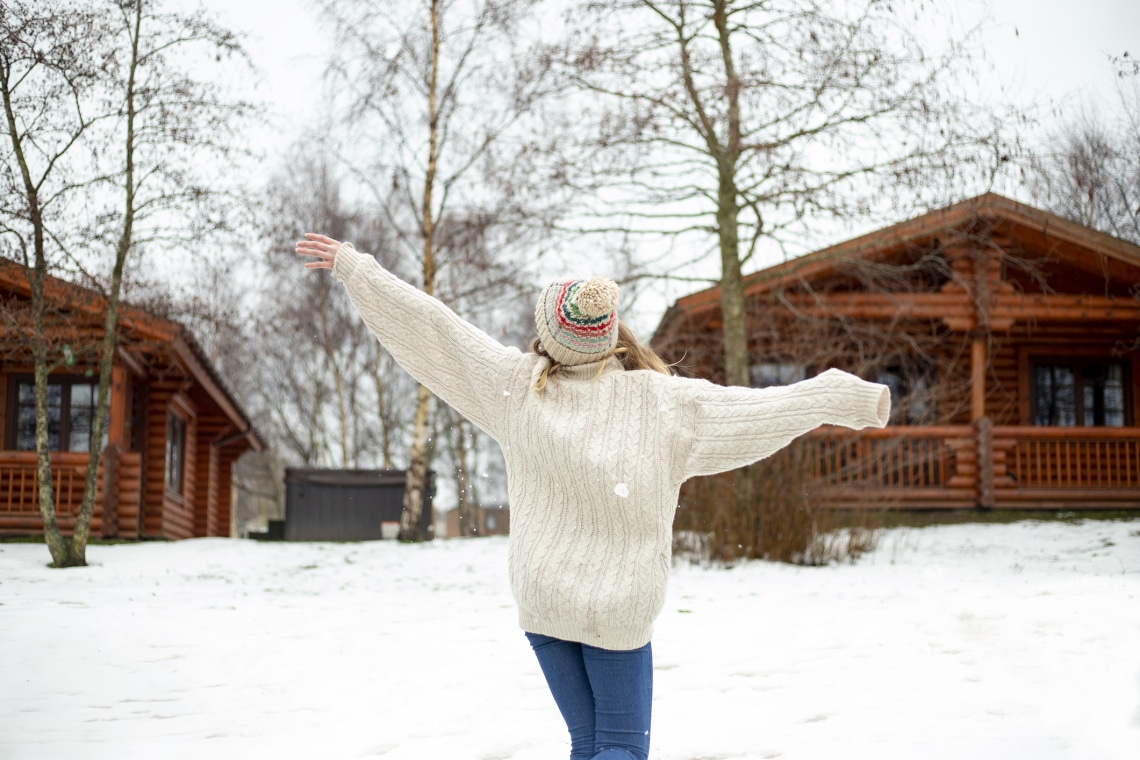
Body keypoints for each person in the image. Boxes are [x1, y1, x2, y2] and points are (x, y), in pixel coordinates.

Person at [296, 233, 891, 760]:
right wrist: (840, 396)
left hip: (545, 601)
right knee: (622, 749)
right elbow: (763, 410)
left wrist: (356, 269)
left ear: (549, 335)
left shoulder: (516, 389)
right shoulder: (663, 404)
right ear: (609, 337)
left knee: (590, 746)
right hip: (618, 607)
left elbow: (437, 332)